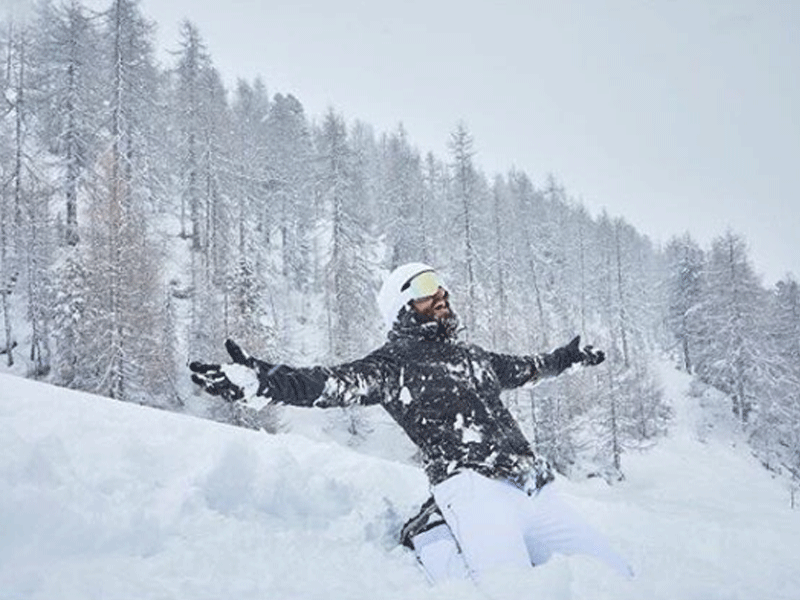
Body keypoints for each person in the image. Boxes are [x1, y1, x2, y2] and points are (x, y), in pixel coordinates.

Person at [190, 262, 632, 583]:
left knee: (617, 580)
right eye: (424, 288)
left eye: (441, 286)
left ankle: (440, 526)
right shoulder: (392, 366)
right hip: (473, 488)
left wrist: (566, 359)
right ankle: (434, 536)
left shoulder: (473, 356)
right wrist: (261, 382)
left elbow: (528, 367)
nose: (440, 296)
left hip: (535, 486)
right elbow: (326, 384)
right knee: (508, 590)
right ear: (402, 305)